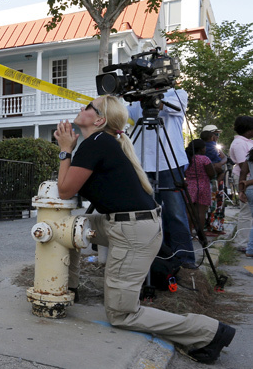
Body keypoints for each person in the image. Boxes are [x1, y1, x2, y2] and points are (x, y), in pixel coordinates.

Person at [58, 95, 235, 364]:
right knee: (66, 229)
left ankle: (208, 332)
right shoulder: (99, 142)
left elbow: (65, 190)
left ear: (99, 119)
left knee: (121, 314)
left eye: (88, 107)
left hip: (131, 230)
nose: (81, 109)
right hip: (126, 225)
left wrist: (65, 150)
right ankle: (68, 290)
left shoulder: (95, 143)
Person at [126, 88, 197, 269]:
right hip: (142, 163)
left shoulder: (177, 93)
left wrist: (153, 99)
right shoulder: (136, 98)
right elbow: (126, 116)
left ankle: (185, 259)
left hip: (170, 162)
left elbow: (171, 107)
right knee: (148, 215)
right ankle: (155, 259)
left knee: (176, 213)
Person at [228, 116, 253, 248]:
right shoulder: (239, 144)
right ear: (248, 130)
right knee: (246, 212)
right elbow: (245, 165)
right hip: (246, 179)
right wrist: (243, 188)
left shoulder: (247, 142)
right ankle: (242, 243)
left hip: (250, 178)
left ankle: (249, 242)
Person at [184, 139, 216, 237]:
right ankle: (200, 234)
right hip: (203, 186)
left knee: (188, 211)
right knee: (200, 212)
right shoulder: (204, 159)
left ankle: (188, 233)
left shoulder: (187, 158)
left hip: (189, 186)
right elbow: (211, 173)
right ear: (202, 149)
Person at [200, 126, 227, 234]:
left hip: (215, 179)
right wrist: (221, 163)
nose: (217, 137)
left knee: (217, 203)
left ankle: (216, 226)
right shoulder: (206, 147)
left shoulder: (215, 147)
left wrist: (220, 163)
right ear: (210, 136)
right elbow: (222, 159)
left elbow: (224, 158)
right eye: (216, 134)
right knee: (210, 204)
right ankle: (209, 227)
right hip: (208, 180)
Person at [237, 147, 253, 258]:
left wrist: (241, 190)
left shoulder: (251, 154)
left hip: (250, 190)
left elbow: (243, 171)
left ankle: (250, 249)